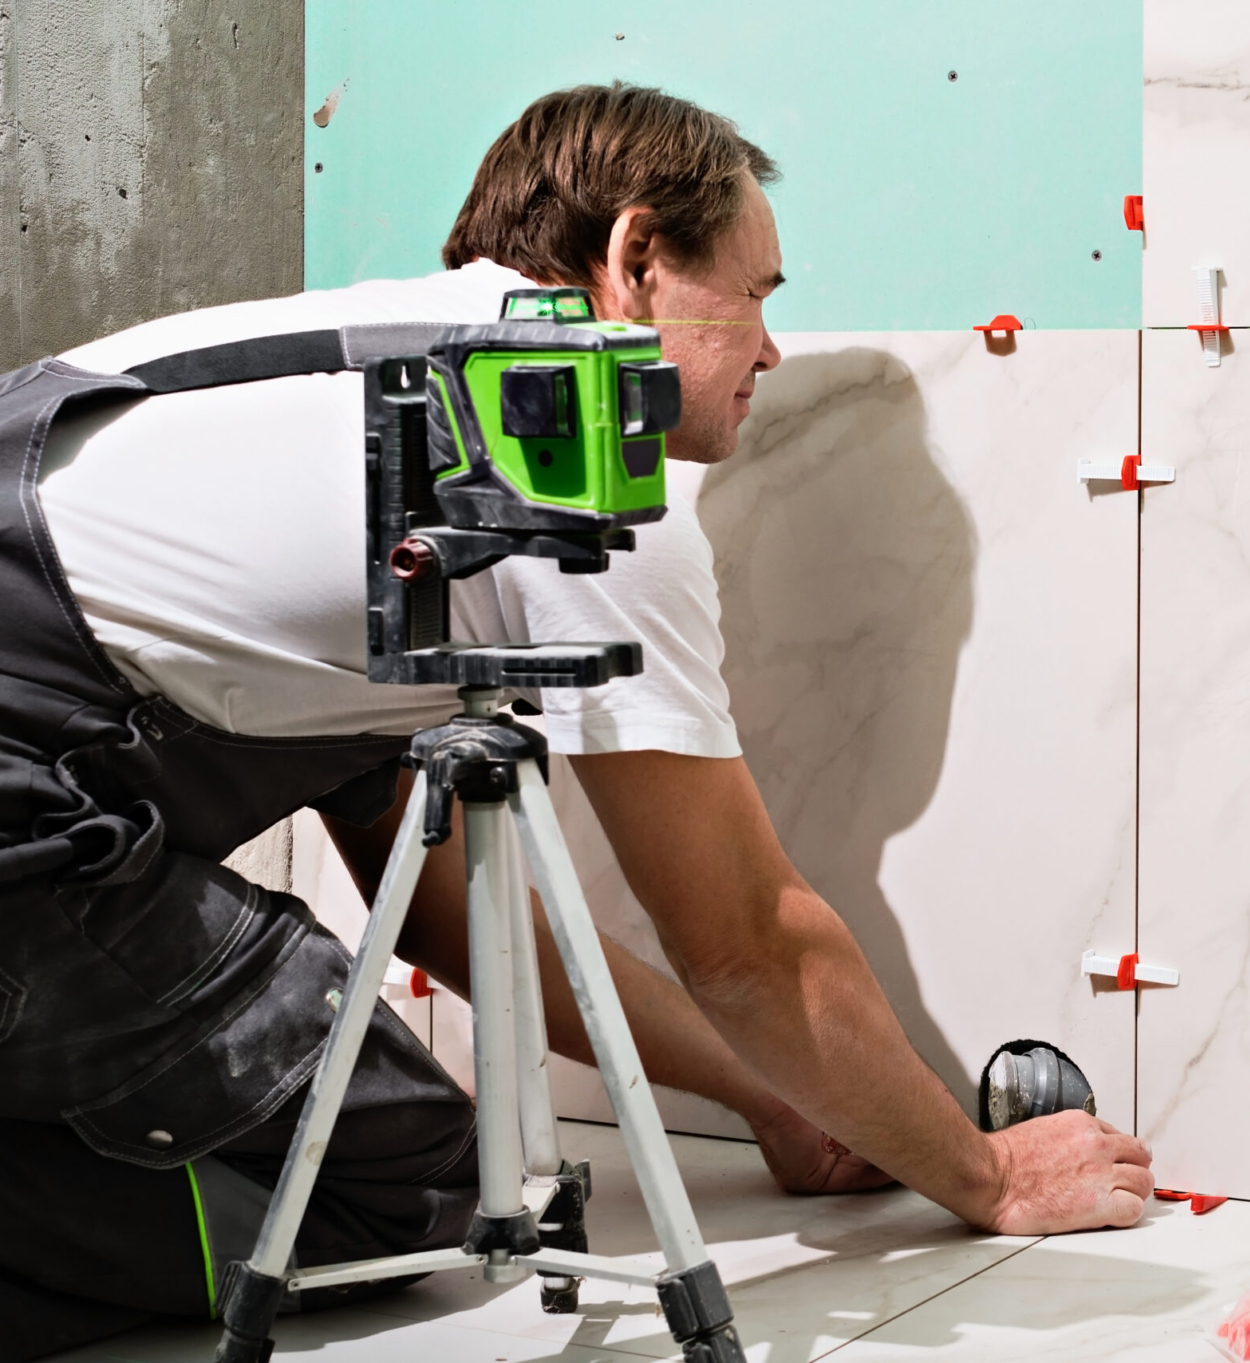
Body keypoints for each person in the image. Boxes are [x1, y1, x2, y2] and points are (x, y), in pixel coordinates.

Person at [0, 83, 1153, 1360]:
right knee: (405, 1178)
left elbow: (454, 914)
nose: (769, 349)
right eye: (756, 292)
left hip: (41, 782)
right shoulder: (553, 433)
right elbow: (747, 939)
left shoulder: (360, 377)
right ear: (637, 257)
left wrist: (770, 1092)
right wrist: (983, 1176)